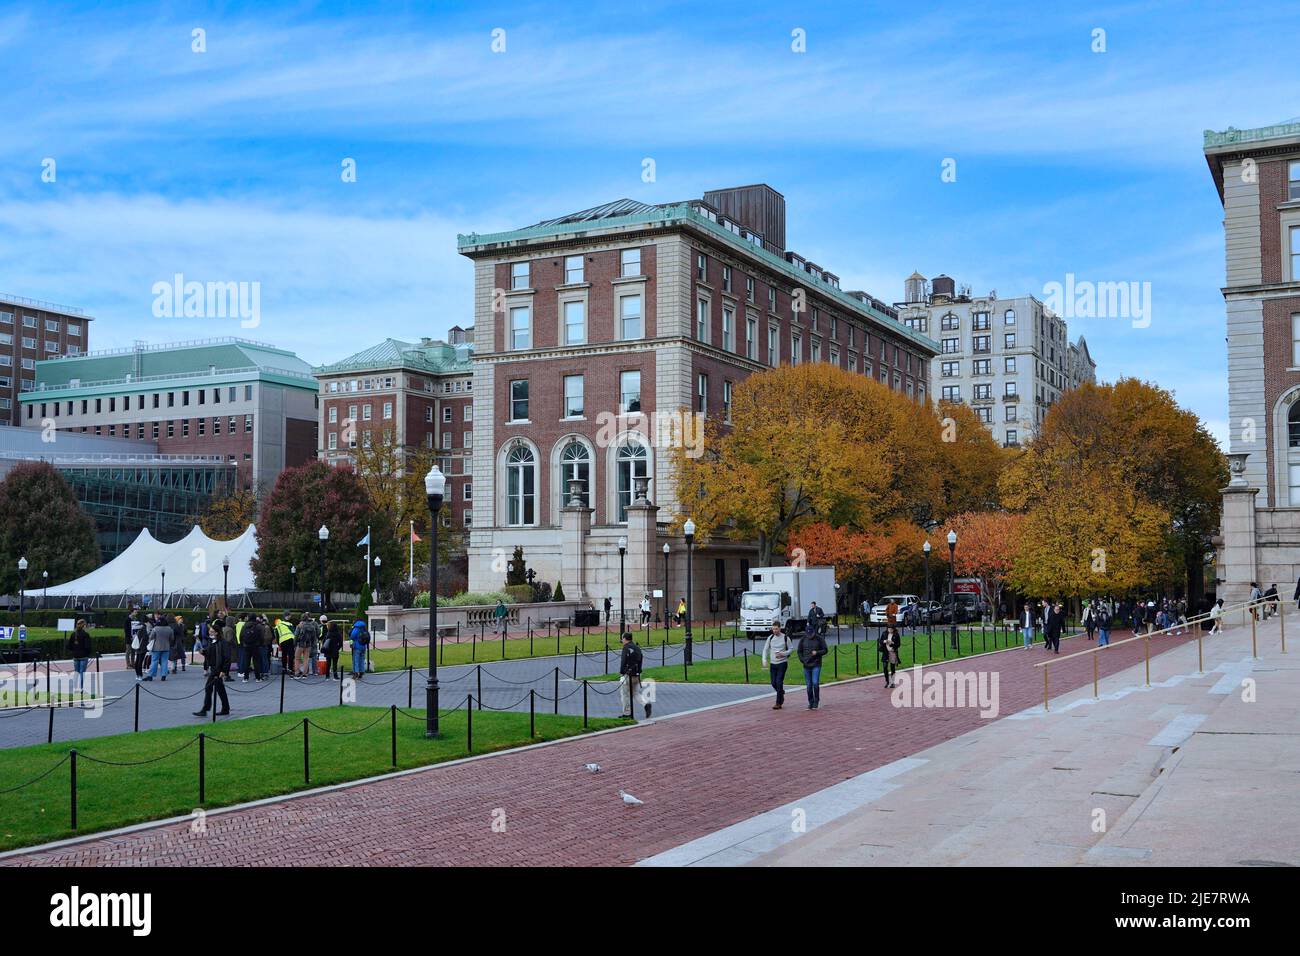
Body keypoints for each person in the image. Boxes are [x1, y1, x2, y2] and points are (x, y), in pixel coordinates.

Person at [193, 614, 232, 718]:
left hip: (218, 669)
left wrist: (224, 670)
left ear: (217, 633)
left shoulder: (222, 643)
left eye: (212, 632)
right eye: (210, 632)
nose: (210, 633)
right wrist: (203, 652)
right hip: (214, 668)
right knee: (219, 689)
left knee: (209, 688)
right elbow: (210, 653)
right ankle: (225, 708)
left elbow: (227, 657)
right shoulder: (213, 642)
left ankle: (205, 709)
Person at [760, 621, 792, 709]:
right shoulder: (770, 638)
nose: (774, 631)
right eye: (773, 629)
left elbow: (791, 649)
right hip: (773, 663)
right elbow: (765, 649)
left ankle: (778, 703)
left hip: (782, 663)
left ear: (780, 628)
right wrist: (764, 659)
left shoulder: (785, 638)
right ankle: (781, 692)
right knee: (773, 682)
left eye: (776, 629)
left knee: (779, 681)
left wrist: (783, 653)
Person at [618, 631, 649, 719]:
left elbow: (623, 660)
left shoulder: (626, 648)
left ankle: (626, 713)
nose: (622, 640)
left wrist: (621, 671)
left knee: (624, 694)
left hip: (627, 674)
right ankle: (645, 704)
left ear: (625, 638)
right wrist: (639, 671)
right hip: (636, 674)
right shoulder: (637, 647)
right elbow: (640, 659)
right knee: (635, 693)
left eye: (622, 638)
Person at [798, 615, 828, 710]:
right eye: (808, 634)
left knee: (815, 682)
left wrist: (817, 653)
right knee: (808, 685)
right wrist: (802, 659)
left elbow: (825, 650)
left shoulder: (819, 639)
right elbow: (799, 651)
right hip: (806, 665)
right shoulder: (803, 639)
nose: (810, 636)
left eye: (811, 634)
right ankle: (810, 701)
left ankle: (816, 700)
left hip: (816, 664)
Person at [144, 615, 172, 681]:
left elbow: (151, 637)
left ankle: (151, 676)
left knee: (154, 661)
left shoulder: (156, 629)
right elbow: (172, 638)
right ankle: (163, 676)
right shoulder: (169, 629)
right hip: (166, 647)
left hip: (156, 647)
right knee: (164, 661)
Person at [68, 619, 92, 691]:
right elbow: (87, 646)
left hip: (75, 655)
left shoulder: (73, 634)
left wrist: (74, 651)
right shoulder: (86, 635)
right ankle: (81, 688)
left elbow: (69, 646)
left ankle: (75, 687)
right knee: (82, 672)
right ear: (84, 626)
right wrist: (88, 653)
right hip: (83, 656)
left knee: (76, 672)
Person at [294, 613, 319, 677]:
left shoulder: (299, 625)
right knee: (306, 659)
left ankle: (297, 672)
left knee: (297, 659)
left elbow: (296, 635)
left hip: (300, 644)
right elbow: (314, 636)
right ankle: (305, 673)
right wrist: (313, 644)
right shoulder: (312, 626)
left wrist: (294, 644)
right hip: (308, 644)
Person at [879, 619, 901, 689]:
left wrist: (893, 643)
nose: (890, 630)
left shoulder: (896, 635)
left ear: (893, 629)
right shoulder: (884, 633)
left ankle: (892, 682)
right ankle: (887, 681)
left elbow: (898, 644)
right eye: (889, 629)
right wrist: (884, 641)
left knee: (892, 667)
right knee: (885, 667)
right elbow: (880, 641)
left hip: (892, 652)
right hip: (885, 652)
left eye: (891, 629)